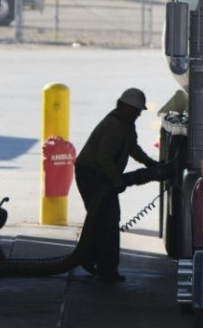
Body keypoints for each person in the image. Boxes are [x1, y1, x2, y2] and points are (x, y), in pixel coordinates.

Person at [75, 88, 160, 283]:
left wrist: (150, 164)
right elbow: (104, 158)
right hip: (91, 175)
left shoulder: (127, 125)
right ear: (124, 107)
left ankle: (100, 264)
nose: (138, 114)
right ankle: (100, 265)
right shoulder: (115, 126)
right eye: (136, 110)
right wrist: (116, 180)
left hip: (101, 175)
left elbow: (133, 148)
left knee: (108, 220)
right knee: (106, 221)